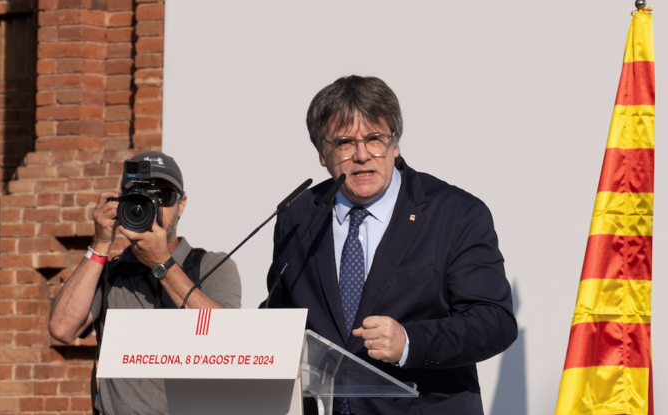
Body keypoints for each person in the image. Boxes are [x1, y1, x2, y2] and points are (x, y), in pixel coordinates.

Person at [264, 76, 517, 415]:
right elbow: (282, 317)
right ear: (322, 154)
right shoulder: (298, 215)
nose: (362, 155)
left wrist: (409, 342)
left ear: (395, 144)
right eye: (343, 143)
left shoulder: (455, 214)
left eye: (375, 139)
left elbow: (494, 322)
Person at [49, 151, 242, 415]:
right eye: (140, 197)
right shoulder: (111, 273)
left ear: (181, 204)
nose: (152, 206)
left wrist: (161, 263)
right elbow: (61, 328)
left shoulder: (211, 266)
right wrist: (100, 244)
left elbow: (228, 338)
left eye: (163, 196)